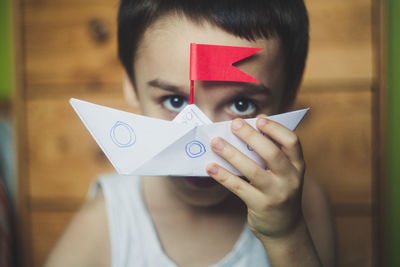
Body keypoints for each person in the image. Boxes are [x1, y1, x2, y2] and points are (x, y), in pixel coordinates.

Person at [45, 0, 336, 266]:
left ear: (287, 98)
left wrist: (286, 236)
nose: (204, 144)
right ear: (132, 87)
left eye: (241, 104)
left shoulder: (305, 205)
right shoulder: (107, 220)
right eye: (175, 101)